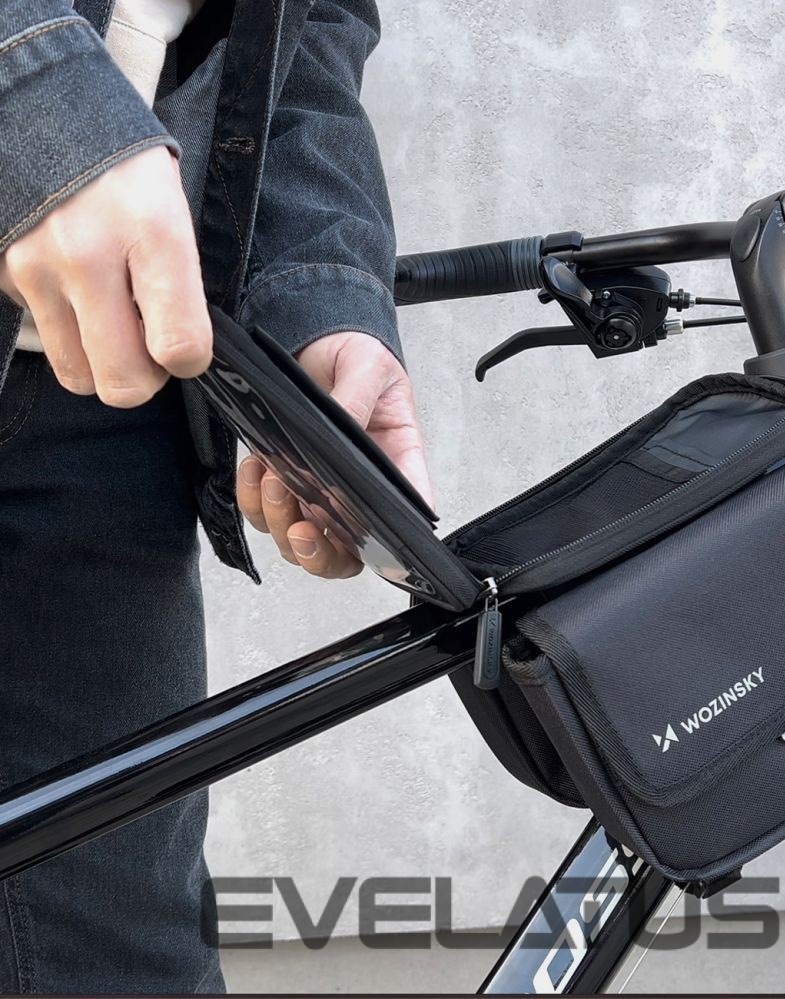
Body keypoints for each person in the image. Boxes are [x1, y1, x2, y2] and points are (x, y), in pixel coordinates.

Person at [0, 0, 429, 991]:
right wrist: (38, 114)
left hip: (98, 403)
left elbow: (301, 35)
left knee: (123, 954)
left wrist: (318, 299)